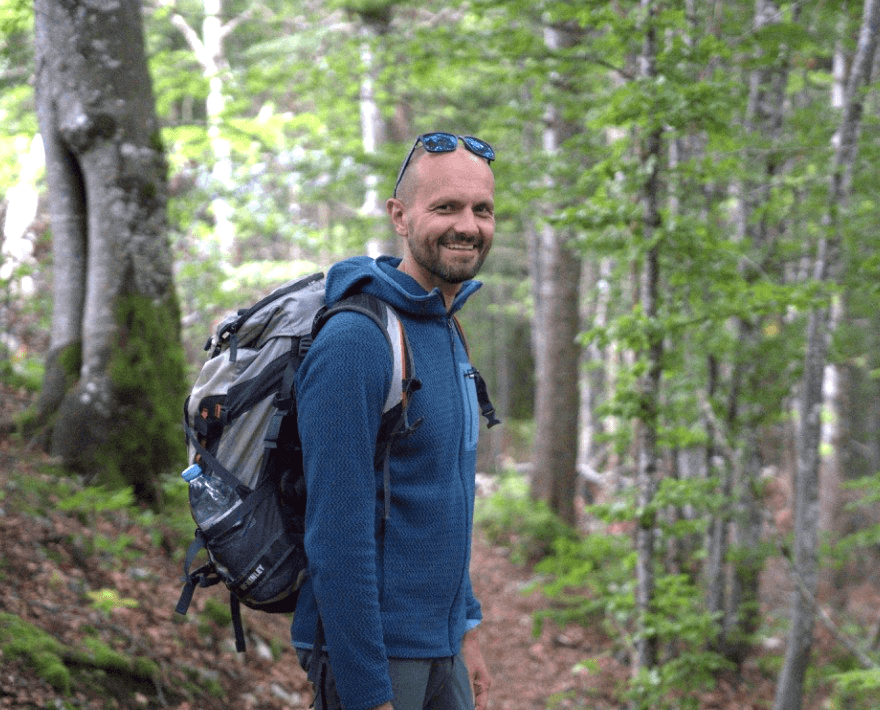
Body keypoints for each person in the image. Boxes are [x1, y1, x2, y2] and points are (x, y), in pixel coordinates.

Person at [292, 132, 497, 710]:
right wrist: (365, 690)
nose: (468, 224)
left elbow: (443, 499)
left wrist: (466, 627)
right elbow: (335, 530)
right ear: (400, 216)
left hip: (439, 644)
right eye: (445, 207)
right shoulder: (358, 341)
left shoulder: (444, 325)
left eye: (481, 209)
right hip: (375, 653)